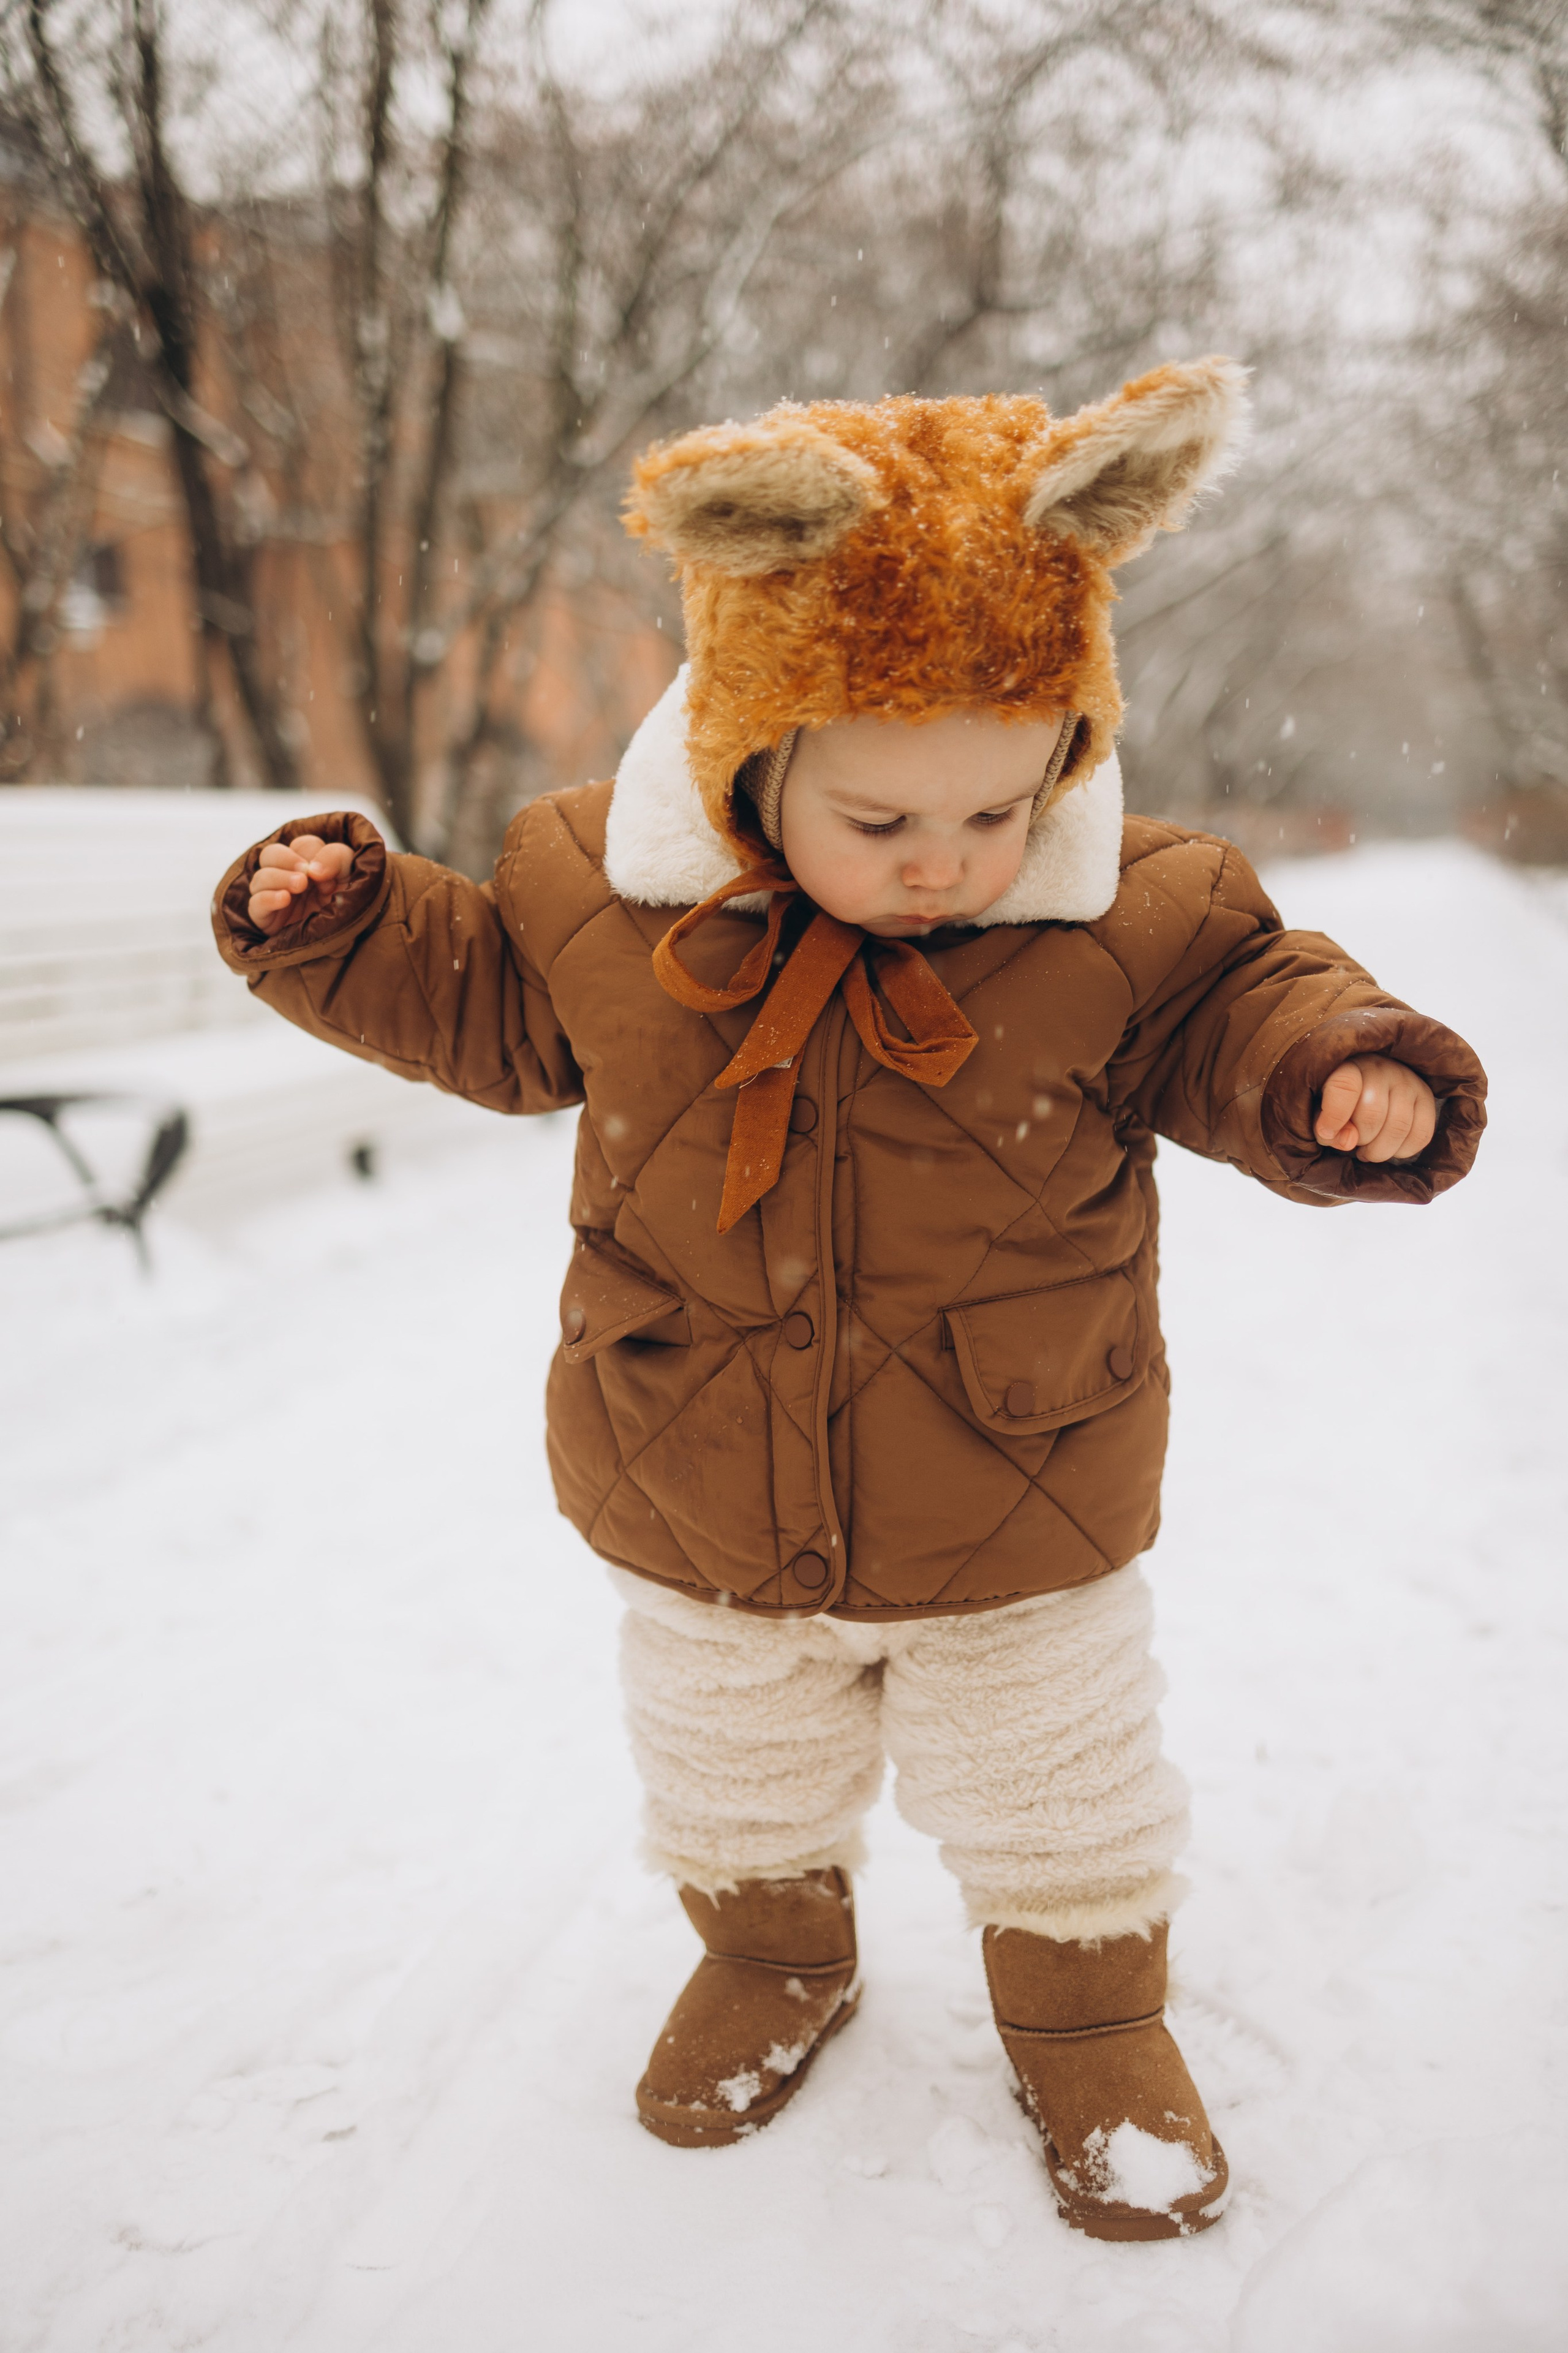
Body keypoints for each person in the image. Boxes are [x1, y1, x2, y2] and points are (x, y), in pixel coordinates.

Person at [212, 360, 1486, 2242]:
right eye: (882, 816)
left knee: (1060, 1788)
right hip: (697, 1472)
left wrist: (1336, 1073)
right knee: (734, 1768)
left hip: (1017, 1480)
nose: (945, 861)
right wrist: (343, 919)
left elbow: (1250, 1009)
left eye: (996, 809)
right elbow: (481, 1001)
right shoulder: (600, 896)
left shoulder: (1136, 919)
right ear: (750, 758)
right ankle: (775, 1954)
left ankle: (1089, 2012)